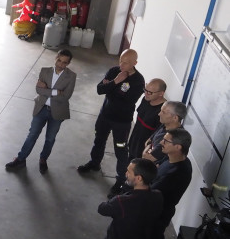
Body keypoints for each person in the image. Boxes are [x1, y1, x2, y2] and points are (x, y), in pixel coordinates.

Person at [77, 48, 145, 195]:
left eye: (126, 63)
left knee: (120, 150)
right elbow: (100, 89)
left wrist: (111, 87)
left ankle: (121, 180)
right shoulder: (114, 71)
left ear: (135, 63)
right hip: (105, 116)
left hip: (122, 122)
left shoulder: (138, 81)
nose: (122, 65)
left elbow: (126, 101)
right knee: (99, 140)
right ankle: (94, 163)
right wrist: (116, 81)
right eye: (121, 60)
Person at [5, 49, 76, 173]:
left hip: (57, 113)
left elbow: (66, 96)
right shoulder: (45, 71)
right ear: (56, 58)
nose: (60, 64)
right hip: (41, 108)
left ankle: (43, 159)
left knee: (50, 138)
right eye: (59, 60)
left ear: (68, 63)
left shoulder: (71, 76)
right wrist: (56, 92)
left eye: (64, 63)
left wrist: (47, 90)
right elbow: (38, 90)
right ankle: (21, 159)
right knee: (32, 135)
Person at [145, 128, 193, 239]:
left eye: (166, 141)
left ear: (178, 147)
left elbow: (151, 190)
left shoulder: (177, 172)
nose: (161, 143)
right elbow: (157, 169)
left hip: (158, 212)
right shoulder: (173, 159)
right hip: (159, 209)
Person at [127, 78, 166, 159]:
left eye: (150, 92)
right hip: (133, 144)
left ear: (161, 93)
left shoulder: (163, 111)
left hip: (144, 151)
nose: (146, 94)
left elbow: (158, 135)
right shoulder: (146, 99)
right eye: (145, 90)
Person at [141, 101, 187, 165]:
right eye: (161, 110)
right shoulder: (165, 124)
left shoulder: (173, 138)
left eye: (163, 112)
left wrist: (148, 150)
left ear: (175, 118)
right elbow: (148, 142)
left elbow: (147, 157)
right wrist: (149, 147)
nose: (159, 114)